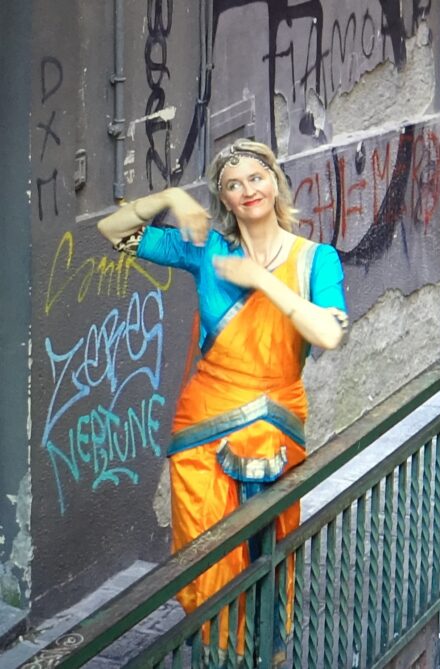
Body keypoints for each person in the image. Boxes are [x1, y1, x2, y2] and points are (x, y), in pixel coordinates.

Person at [98, 139, 348, 664]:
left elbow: (328, 334)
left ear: (275, 181)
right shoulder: (207, 249)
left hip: (275, 427)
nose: (247, 190)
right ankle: (218, 655)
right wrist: (171, 196)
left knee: (267, 553)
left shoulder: (315, 259)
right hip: (202, 431)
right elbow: (113, 231)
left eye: (256, 177)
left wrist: (262, 281)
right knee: (206, 559)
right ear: (224, 200)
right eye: (233, 185)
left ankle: (263, 653)